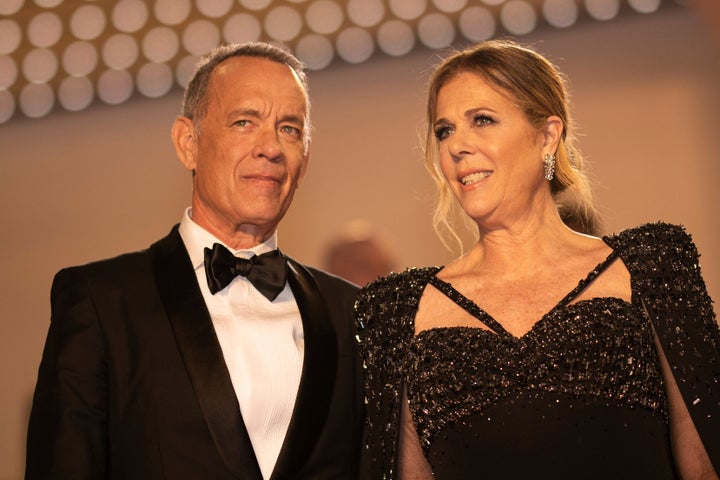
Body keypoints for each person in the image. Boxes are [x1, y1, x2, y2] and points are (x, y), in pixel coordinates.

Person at [355, 39, 720, 479]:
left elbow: (703, 464)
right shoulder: (398, 311)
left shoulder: (650, 266)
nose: (456, 146)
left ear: (547, 136)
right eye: (444, 130)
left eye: (482, 120)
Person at [26, 42, 363, 480]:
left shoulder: (352, 312)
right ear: (188, 143)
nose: (271, 147)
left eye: (290, 129)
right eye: (245, 122)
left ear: (306, 159)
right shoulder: (101, 302)